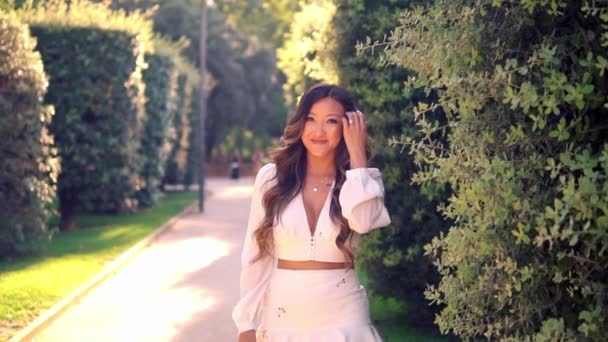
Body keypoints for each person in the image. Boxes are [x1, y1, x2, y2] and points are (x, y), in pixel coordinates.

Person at [232, 83, 391, 341]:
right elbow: (256, 255)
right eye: (310, 119)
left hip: (345, 313)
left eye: (331, 121)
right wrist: (246, 323)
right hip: (285, 315)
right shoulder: (271, 178)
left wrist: (357, 157)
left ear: (348, 126)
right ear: (300, 123)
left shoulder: (363, 181)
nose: (318, 131)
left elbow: (363, 222)